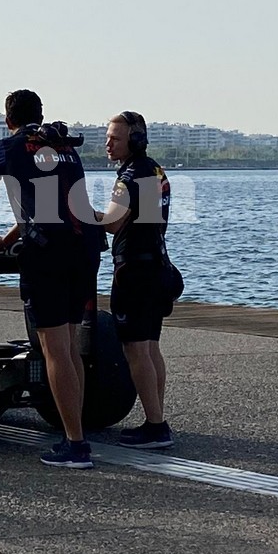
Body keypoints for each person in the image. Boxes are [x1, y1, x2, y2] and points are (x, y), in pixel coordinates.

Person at [0, 90, 102, 469]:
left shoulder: (7, 148)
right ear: (40, 113)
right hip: (85, 248)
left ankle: (75, 444)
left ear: (8, 120)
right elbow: (54, 203)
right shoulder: (63, 145)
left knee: (55, 350)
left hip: (49, 255)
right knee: (70, 346)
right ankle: (77, 432)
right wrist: (9, 238)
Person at [94, 110, 174, 449]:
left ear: (136, 140)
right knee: (151, 346)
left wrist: (77, 211)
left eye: (115, 138)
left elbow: (113, 223)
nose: (108, 144)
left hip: (134, 273)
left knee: (135, 349)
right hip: (157, 266)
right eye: (108, 137)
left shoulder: (129, 175)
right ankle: (156, 419)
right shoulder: (155, 170)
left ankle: (156, 426)